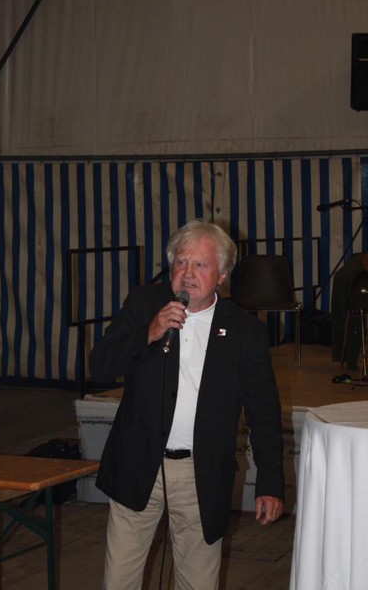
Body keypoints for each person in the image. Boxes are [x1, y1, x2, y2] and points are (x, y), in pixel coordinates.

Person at [89, 219, 284, 590]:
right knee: (119, 582)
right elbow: (99, 366)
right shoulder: (145, 303)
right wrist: (149, 333)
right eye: (181, 262)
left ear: (222, 275)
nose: (188, 273)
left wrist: (270, 482)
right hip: (137, 464)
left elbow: (264, 412)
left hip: (202, 473)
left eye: (200, 264)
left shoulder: (245, 332)